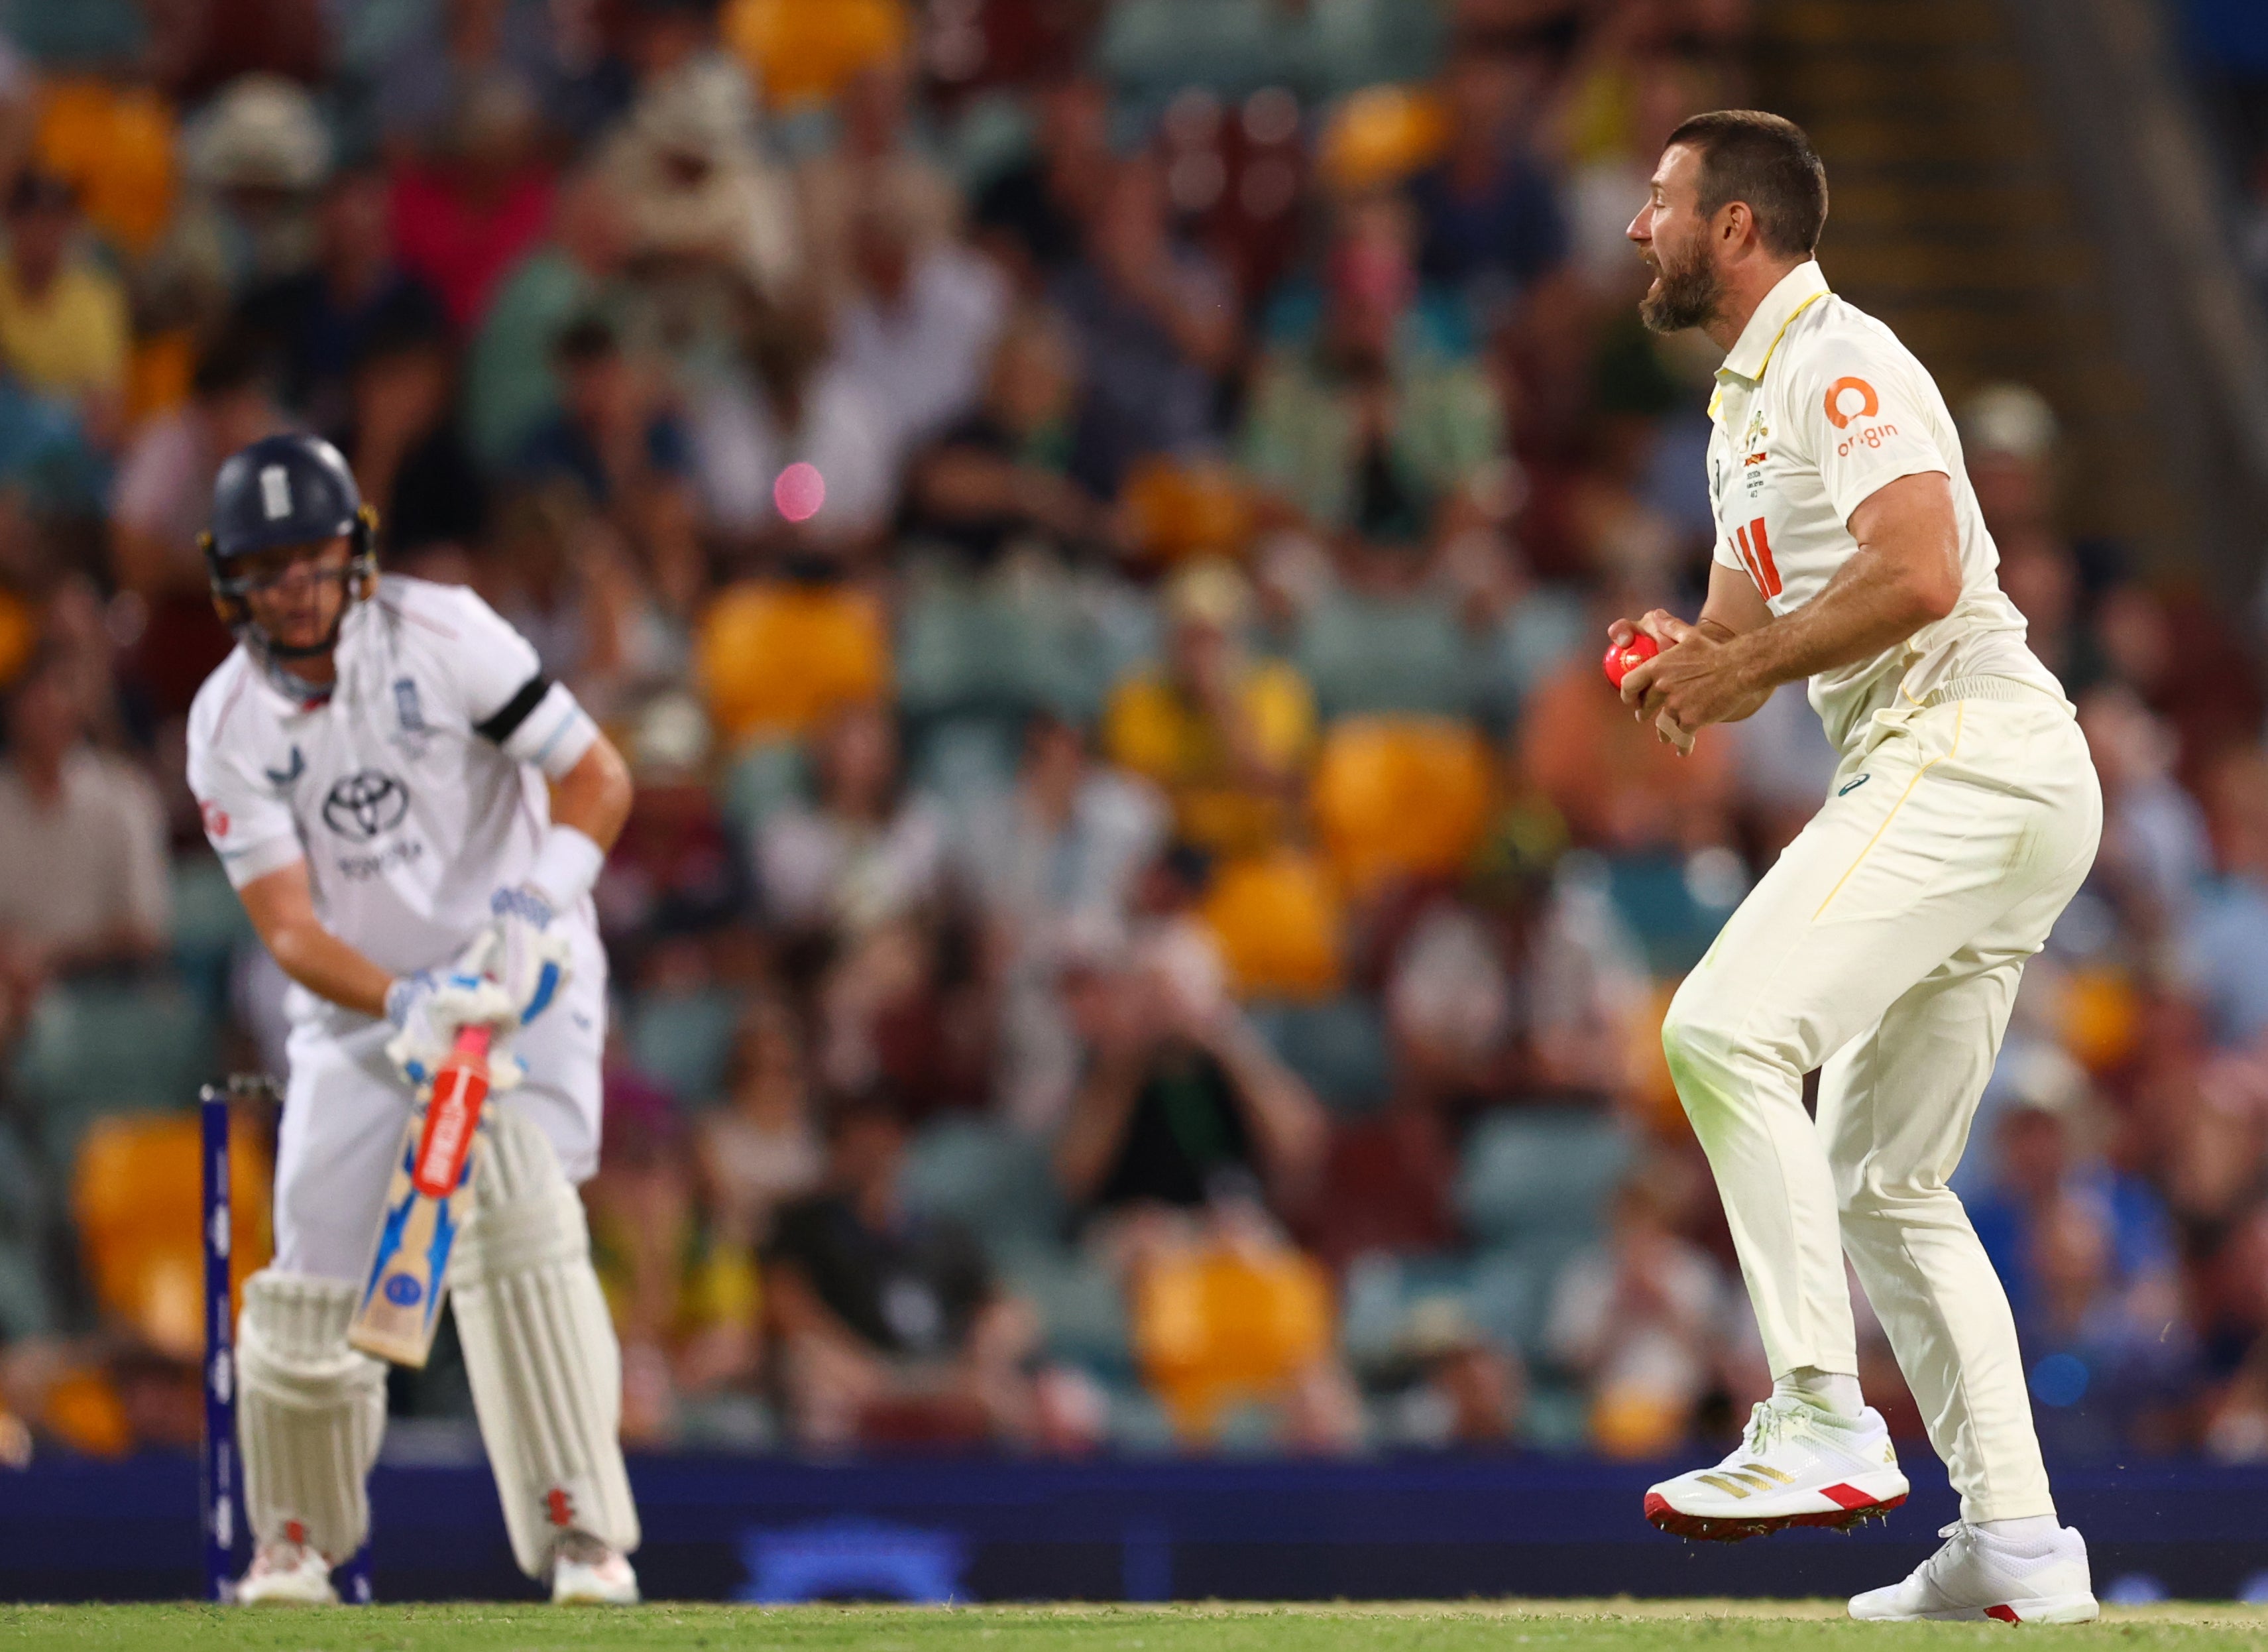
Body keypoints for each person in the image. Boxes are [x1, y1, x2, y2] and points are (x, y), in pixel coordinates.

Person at [1616, 112, 2102, 1622]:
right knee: (1882, 1177)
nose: (1639, 226)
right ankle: (2019, 1544)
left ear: (1737, 230)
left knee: (1718, 1028)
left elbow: (1923, 569)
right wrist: (1680, 664)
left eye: (1662, 200)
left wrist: (1735, 661)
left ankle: (1822, 1413)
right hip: (1985, 774)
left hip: (1967, 748)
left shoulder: (1845, 360)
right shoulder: (1735, 408)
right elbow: (1738, 639)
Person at [184, 434, 642, 1605]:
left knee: (525, 1237)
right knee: (309, 1288)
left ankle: (587, 1544)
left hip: (521, 974)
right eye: (269, 566)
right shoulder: (226, 721)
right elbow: (288, 929)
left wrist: (539, 908)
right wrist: (403, 1004)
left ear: (356, 553)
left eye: (315, 557)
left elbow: (599, 778)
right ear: (232, 579)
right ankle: (293, 1545)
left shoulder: (447, 633)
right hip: (365, 1013)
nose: (296, 586)